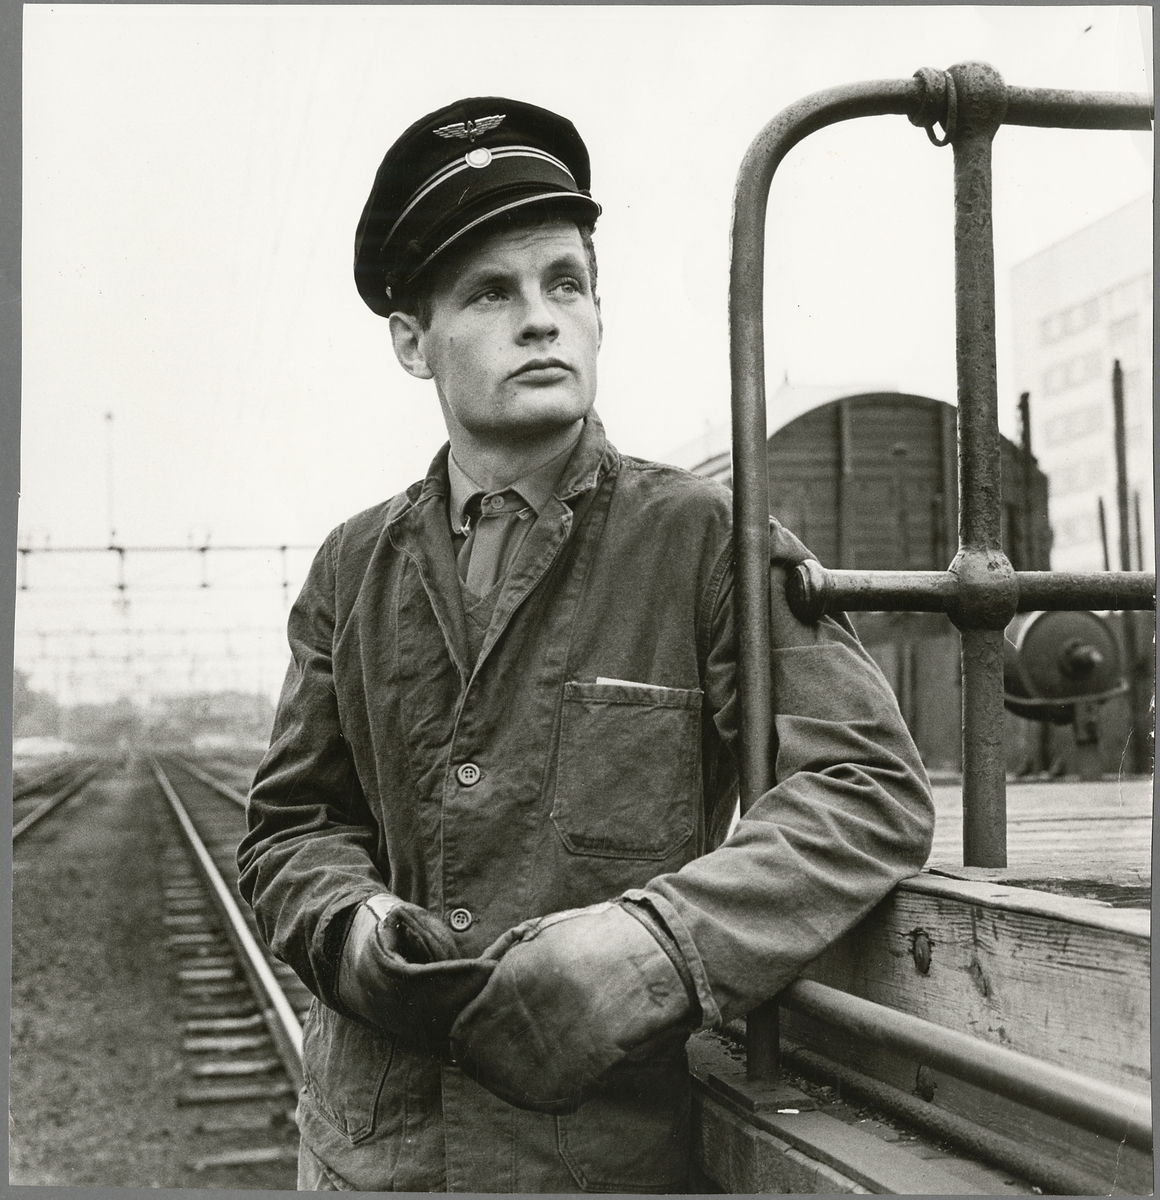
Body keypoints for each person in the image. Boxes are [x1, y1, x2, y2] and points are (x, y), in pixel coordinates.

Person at [236, 96, 935, 1193]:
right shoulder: (351, 568)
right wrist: (355, 931)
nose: (541, 317)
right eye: (490, 292)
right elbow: (293, 825)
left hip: (599, 1158)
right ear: (412, 342)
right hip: (376, 1157)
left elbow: (864, 785)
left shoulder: (702, 538)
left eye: (565, 282)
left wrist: (658, 944)